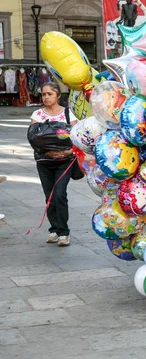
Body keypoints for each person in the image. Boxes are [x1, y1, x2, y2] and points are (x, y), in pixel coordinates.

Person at [30, 83, 78, 247]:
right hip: (44, 162)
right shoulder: (37, 115)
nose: (46, 97)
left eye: (49, 94)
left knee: (59, 194)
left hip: (64, 162)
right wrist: (48, 152)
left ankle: (64, 233)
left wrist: (67, 152)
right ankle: (54, 230)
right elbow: (33, 138)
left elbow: (78, 137)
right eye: (43, 94)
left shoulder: (67, 114)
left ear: (58, 95)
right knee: (49, 197)